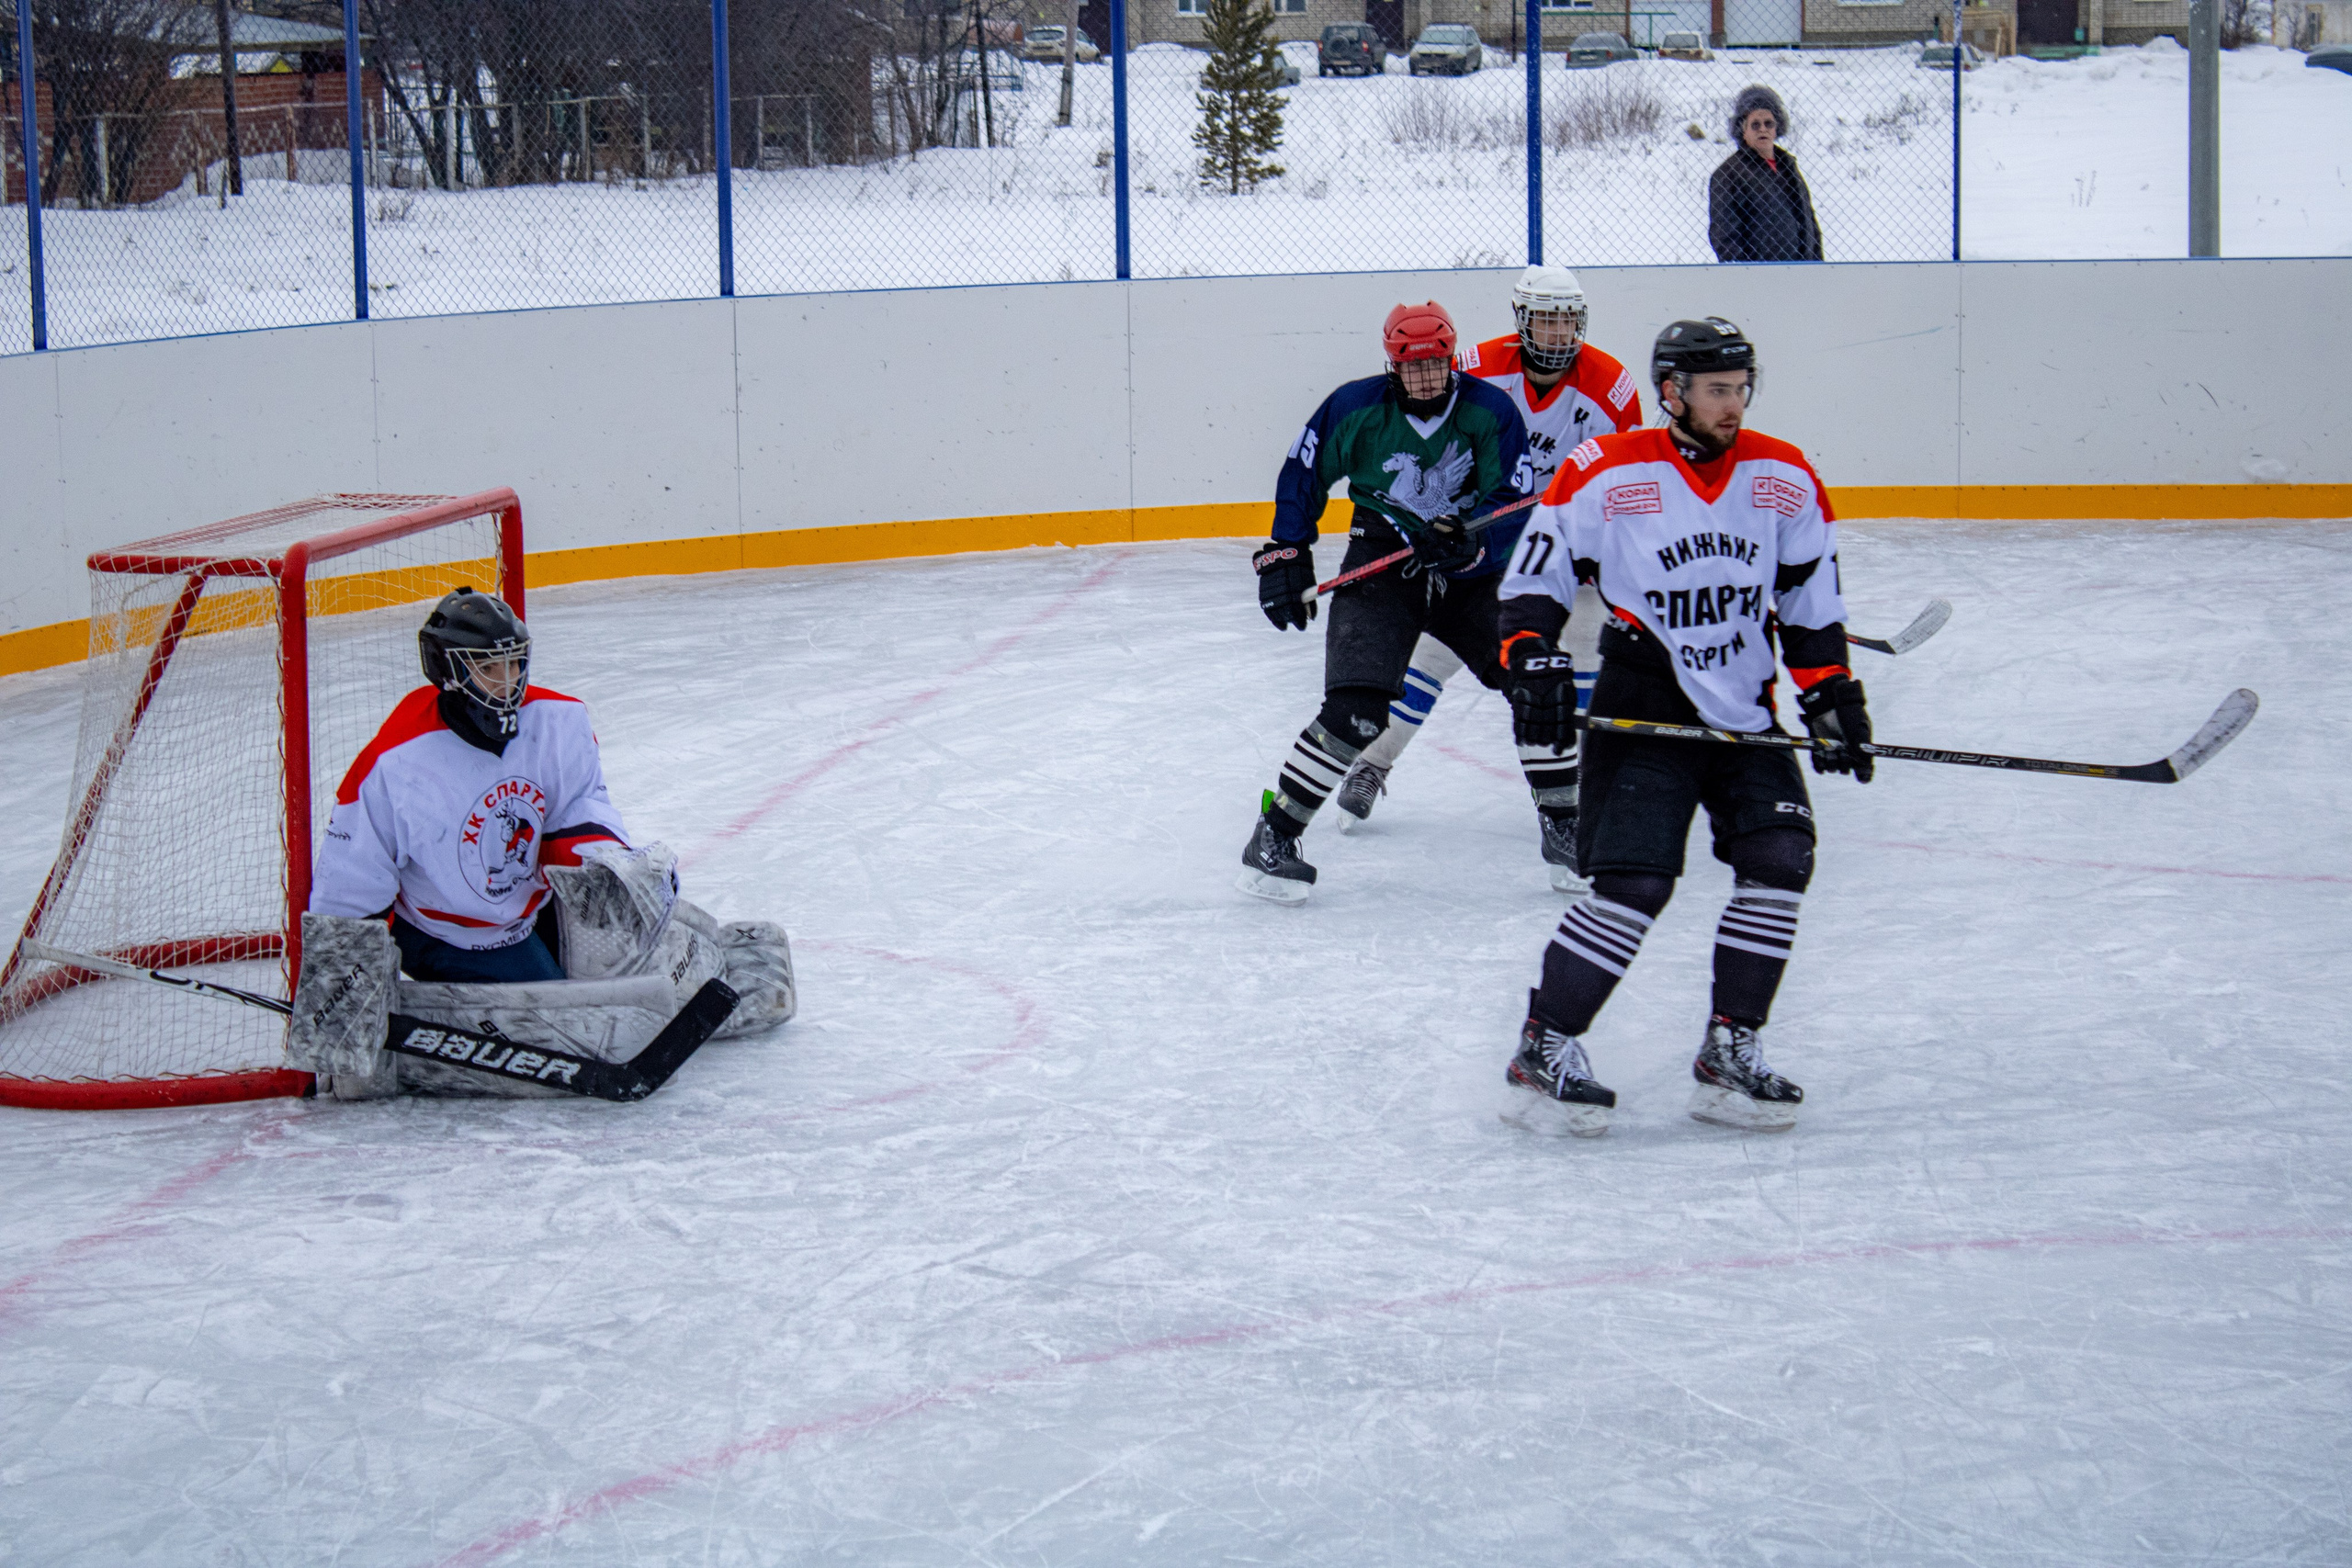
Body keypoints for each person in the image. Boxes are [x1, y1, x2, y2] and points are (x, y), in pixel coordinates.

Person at [1493, 317, 1873, 1135]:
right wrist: (1531, 654)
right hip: (1643, 708)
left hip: (1746, 712)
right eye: (1714, 390)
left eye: (1740, 389)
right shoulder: (1608, 471)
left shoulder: (1785, 475)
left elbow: (1809, 599)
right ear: (1670, 392)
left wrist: (1832, 692)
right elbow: (1539, 572)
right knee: (1636, 884)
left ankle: (1730, 1046)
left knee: (1780, 856)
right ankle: (1544, 1044)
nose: (1732, 405)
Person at [1328, 265, 1645, 895]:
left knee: (1572, 656)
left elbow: (1626, 481)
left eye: (1566, 319)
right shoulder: (1476, 367)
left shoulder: (1611, 389)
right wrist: (1452, 528)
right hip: (1489, 550)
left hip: (1569, 551)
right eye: (1544, 319)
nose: (1556, 333)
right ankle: (1372, 762)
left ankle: (1567, 797)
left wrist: (1602, 545)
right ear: (1521, 319)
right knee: (1432, 654)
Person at [1238, 300, 1534, 903]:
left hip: (1469, 567)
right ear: (1392, 363)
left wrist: (1468, 533)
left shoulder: (1489, 410)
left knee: (1536, 676)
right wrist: (1286, 553)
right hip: (1383, 556)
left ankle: (1568, 818)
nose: (1426, 376)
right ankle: (1275, 834)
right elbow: (1304, 473)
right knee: (1356, 711)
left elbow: (1514, 499)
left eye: (1436, 364)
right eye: (1412, 365)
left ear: (1452, 360)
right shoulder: (1355, 407)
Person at [311, 586, 629, 983]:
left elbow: (578, 809)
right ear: (448, 671)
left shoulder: (558, 721)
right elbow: (352, 877)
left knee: (620, 969)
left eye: (514, 663)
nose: (507, 682)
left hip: (530, 908)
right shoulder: (395, 762)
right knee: (560, 1007)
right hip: (443, 932)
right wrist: (339, 985)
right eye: (488, 668)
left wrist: (615, 866)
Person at [1708, 85, 1824, 264]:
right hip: (1759, 280)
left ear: (1777, 127)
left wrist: (1817, 266)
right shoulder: (1728, 175)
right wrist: (1749, 276)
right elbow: (1725, 237)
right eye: (1755, 125)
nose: (1763, 129)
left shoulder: (1789, 166)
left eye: (1768, 123)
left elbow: (1809, 224)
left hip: (1803, 274)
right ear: (1742, 130)